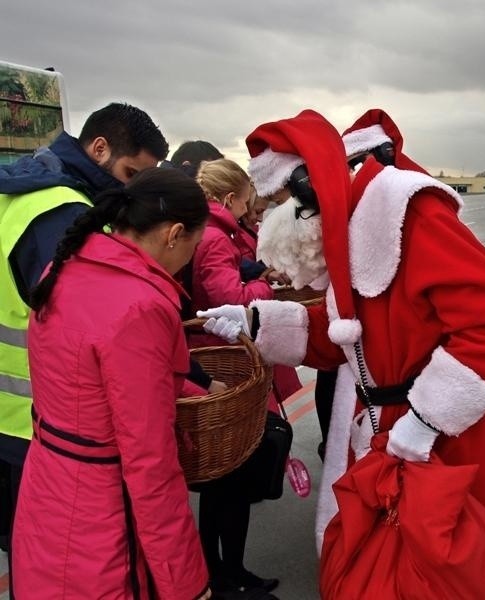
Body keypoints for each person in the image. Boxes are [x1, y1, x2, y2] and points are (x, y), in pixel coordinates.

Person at [201, 109, 485, 564]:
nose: (265, 221)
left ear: (306, 187)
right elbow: (348, 336)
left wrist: (426, 421)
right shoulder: (344, 224)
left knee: (430, 571)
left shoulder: (404, 211)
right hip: (380, 425)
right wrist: (254, 322)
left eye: (273, 203)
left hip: (432, 435)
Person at [12, 168, 211, 599]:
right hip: (101, 514)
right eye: (194, 245)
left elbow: (96, 381)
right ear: (175, 234)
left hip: (48, 483)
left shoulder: (66, 266)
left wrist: (195, 391)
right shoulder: (140, 305)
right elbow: (151, 464)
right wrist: (188, 585)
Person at [0, 102, 169, 593]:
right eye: (128, 173)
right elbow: (84, 330)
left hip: (18, 416)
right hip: (34, 424)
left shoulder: (21, 188)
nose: (129, 189)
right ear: (98, 148)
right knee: (55, 567)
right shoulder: (63, 214)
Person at [192, 158, 295, 598]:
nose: (251, 211)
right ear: (231, 198)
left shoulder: (214, 232)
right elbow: (229, 299)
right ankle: (226, 574)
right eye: (248, 202)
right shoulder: (216, 237)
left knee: (223, 483)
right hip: (228, 364)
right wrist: (267, 289)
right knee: (231, 479)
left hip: (219, 360)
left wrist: (254, 272)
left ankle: (222, 571)